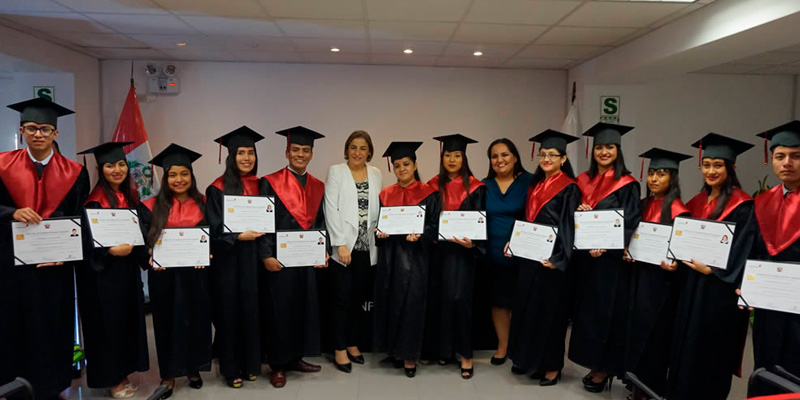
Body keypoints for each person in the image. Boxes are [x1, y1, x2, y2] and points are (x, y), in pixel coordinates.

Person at [0, 98, 90, 400]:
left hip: (56, 268)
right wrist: (10, 212)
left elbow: (79, 219)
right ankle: (15, 386)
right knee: (15, 323)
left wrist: (63, 254)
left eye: (45, 129)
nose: (38, 134)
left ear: (56, 133)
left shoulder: (75, 172)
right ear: (22, 130)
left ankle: (54, 387)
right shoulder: (2, 165)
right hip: (14, 267)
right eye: (32, 128)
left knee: (55, 324)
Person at [667, 133, 756, 400]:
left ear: (731, 167)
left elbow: (745, 250)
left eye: (718, 165)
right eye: (706, 165)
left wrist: (714, 271)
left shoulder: (743, 205)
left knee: (712, 348)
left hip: (719, 293)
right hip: (692, 288)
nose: (711, 171)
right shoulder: (695, 203)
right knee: (686, 343)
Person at [569, 122, 642, 393]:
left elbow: (631, 220)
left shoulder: (627, 184)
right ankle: (593, 365)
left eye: (609, 147)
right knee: (587, 315)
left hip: (611, 264)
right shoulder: (583, 181)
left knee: (608, 315)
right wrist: (580, 210)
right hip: (586, 261)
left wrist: (608, 246)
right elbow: (572, 218)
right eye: (599, 147)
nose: (603, 152)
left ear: (618, 150)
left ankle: (605, 369)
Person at [506, 130, 580, 386]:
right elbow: (527, 222)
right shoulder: (536, 186)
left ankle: (551, 367)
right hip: (530, 258)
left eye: (552, 155)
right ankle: (531, 361)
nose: (547, 158)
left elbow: (569, 226)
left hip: (552, 261)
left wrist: (559, 258)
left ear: (563, 158)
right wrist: (514, 243)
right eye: (543, 154)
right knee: (529, 310)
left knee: (551, 314)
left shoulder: (569, 188)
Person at [258, 126, 329, 388]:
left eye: (305, 150)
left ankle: (296, 357)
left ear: (311, 154)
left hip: (306, 258)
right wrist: (265, 254)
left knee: (303, 307)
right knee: (280, 310)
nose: (300, 154)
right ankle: (278, 364)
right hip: (279, 259)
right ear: (287, 152)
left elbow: (321, 222)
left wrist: (323, 251)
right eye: (296, 150)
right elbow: (263, 222)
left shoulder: (317, 186)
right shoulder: (270, 182)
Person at [138, 144, 211, 399]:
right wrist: (147, 253)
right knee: (166, 322)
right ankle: (168, 373)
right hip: (164, 278)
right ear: (165, 177)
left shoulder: (204, 204)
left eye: (184, 174)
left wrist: (208, 253)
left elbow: (211, 238)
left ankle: (193, 369)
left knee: (196, 320)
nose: (178, 180)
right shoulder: (149, 207)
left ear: (191, 176)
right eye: (172, 175)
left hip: (196, 275)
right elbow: (143, 244)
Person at [76, 142, 148, 399]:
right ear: (101, 169)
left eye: (120, 164)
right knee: (107, 327)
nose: (116, 170)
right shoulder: (93, 203)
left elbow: (141, 236)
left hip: (126, 274)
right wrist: (109, 252)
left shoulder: (130, 199)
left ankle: (123, 373)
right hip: (101, 279)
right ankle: (111, 379)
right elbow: (85, 245)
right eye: (110, 166)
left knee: (125, 324)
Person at [623, 148, 691, 400]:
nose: (653, 179)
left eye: (661, 174)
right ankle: (635, 383)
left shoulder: (678, 211)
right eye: (651, 173)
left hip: (661, 285)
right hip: (639, 277)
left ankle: (651, 387)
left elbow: (682, 254)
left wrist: (675, 265)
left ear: (672, 178)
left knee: (655, 337)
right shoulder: (643, 204)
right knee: (636, 331)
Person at [205, 126, 265, 388]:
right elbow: (213, 229)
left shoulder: (262, 185)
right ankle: (231, 368)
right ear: (231, 156)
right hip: (229, 261)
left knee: (253, 310)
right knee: (229, 312)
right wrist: (238, 237)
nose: (246, 158)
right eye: (240, 153)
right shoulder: (217, 189)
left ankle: (252, 363)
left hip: (254, 261)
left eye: (250, 153)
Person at [374, 141, 439, 378]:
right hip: (390, 257)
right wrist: (379, 234)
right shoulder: (386, 194)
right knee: (390, 301)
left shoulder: (429, 194)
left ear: (415, 165)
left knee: (412, 305)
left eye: (406, 164)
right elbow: (381, 225)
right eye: (398, 165)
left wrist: (421, 235)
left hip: (416, 258)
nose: (402, 169)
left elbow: (434, 227)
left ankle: (410, 355)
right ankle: (395, 351)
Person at [424, 134, 485, 379]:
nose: (452, 159)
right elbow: (427, 221)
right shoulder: (431, 186)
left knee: (460, 300)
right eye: (448, 154)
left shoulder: (476, 187)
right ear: (442, 157)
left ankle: (466, 355)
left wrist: (474, 243)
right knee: (440, 299)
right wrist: (432, 235)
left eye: (457, 155)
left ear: (464, 158)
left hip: (462, 254)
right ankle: (444, 349)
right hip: (438, 252)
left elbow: (481, 220)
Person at [747, 121, 800, 396]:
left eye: (796, 156)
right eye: (780, 156)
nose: (787, 163)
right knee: (765, 365)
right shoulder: (762, 201)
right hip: (768, 307)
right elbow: (754, 252)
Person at [323, 130, 381, 373]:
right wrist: (339, 244)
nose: (358, 152)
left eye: (363, 148)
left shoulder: (376, 173)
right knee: (341, 300)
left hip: (367, 248)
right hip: (344, 248)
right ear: (347, 149)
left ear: (369, 152)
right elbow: (331, 208)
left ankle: (353, 343)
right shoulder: (337, 171)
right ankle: (339, 348)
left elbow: (378, 208)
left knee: (358, 299)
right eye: (353, 147)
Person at [481, 138, 533, 365]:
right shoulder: (484, 185)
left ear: (515, 157)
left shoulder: (529, 182)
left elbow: (536, 214)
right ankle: (503, 346)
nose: (499, 160)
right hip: (493, 255)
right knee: (499, 302)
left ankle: (521, 346)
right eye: (494, 156)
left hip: (523, 253)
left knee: (522, 302)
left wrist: (517, 239)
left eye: (504, 154)